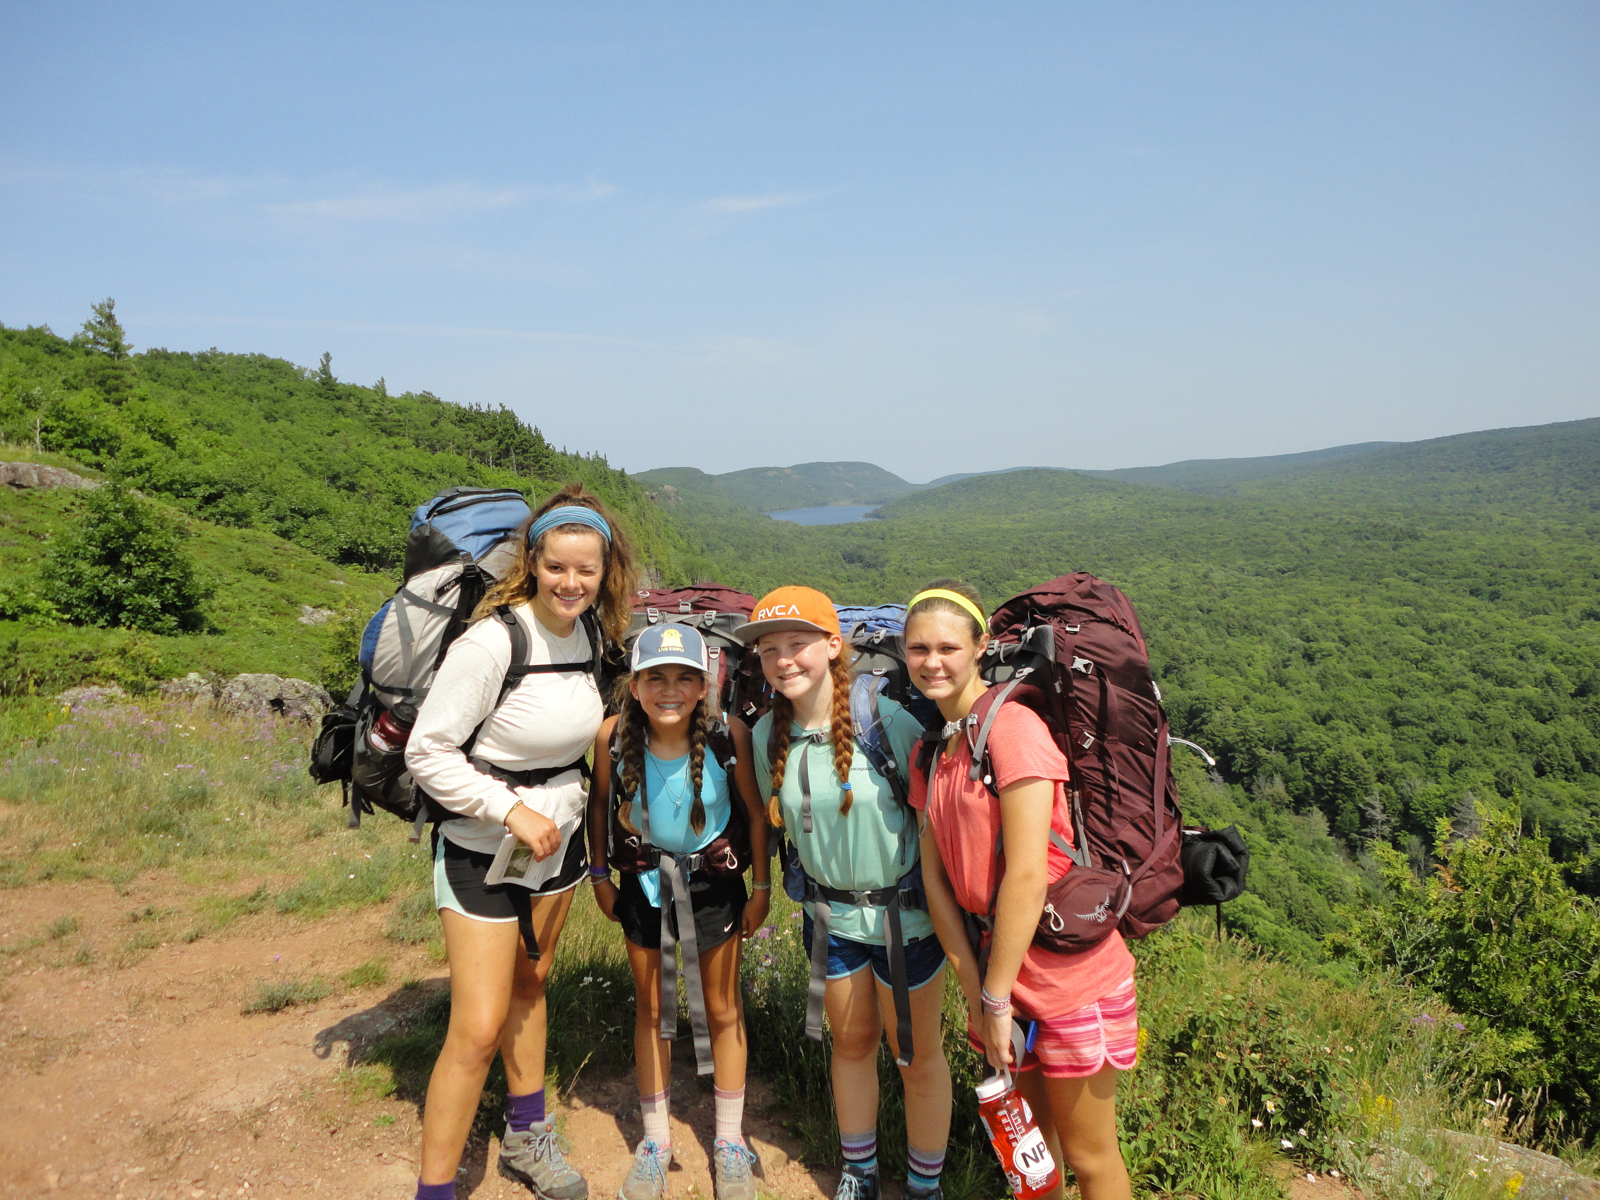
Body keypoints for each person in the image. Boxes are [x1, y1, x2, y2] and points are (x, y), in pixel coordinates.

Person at [404, 484, 636, 1200]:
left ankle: (528, 1140)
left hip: (558, 841)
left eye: (586, 570)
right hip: (483, 844)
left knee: (532, 986)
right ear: (532, 562)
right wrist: (508, 811)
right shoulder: (493, 641)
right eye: (558, 567)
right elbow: (429, 750)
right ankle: (436, 1190)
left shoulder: (594, 637)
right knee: (476, 1027)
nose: (572, 583)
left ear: (606, 573)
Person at [906, 581, 1136, 1200]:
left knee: (1089, 1157)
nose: (932, 661)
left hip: (1066, 979)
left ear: (981, 647)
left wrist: (996, 998)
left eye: (948, 647)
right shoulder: (931, 749)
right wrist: (978, 993)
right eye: (918, 647)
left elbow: (1029, 874)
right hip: (997, 977)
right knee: (1032, 1160)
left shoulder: (1015, 731)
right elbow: (937, 880)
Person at [736, 587, 952, 1200]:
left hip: (906, 924)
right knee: (852, 1044)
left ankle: (923, 1184)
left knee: (916, 1055)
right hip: (829, 921)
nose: (783, 660)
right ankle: (859, 1172)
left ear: (834, 647)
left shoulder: (888, 722)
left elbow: (935, 825)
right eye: (770, 650)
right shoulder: (765, 736)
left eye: (798, 645)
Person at [586, 623, 771, 1200]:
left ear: (704, 685)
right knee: (652, 1011)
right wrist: (598, 875)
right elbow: (598, 807)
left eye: (685, 678)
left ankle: (730, 1141)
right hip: (642, 884)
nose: (671, 690)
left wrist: (761, 885)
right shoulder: (612, 737)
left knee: (721, 1008)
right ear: (634, 686)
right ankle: (656, 1141)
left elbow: (755, 815)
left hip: (713, 887)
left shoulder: (726, 737)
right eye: (656, 678)